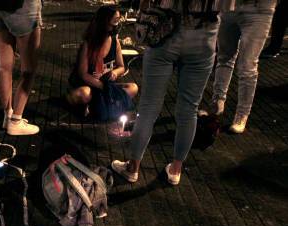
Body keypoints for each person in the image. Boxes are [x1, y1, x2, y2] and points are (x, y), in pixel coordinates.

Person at [111, 0, 233, 186]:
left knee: (148, 108)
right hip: (204, 36)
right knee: (189, 110)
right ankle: (175, 170)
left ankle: (132, 168)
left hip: (165, 31)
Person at [206, 0, 277, 134]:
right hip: (229, 7)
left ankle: (242, 115)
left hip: (259, 9)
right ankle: (217, 103)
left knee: (247, 66)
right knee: (224, 58)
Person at [66, 5, 138, 117]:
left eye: (118, 20)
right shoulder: (88, 43)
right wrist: (102, 86)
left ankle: (94, 105)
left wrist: (115, 72)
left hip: (107, 85)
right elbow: (83, 74)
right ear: (104, 22)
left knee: (133, 88)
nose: (117, 24)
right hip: (90, 85)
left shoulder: (115, 41)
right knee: (83, 94)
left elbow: (121, 67)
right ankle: (85, 101)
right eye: (115, 20)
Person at [0, 0, 43, 136]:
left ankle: (8, 116)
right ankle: (15, 122)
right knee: (29, 69)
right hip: (24, 9)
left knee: (4, 66)